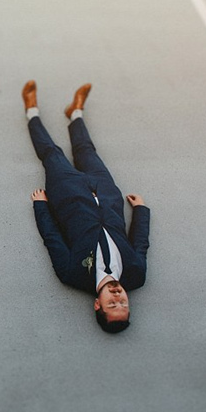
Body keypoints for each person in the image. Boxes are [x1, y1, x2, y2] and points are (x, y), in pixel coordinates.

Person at [23, 80, 150, 333]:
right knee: (86, 151)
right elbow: (140, 243)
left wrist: (41, 206)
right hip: (105, 193)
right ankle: (75, 113)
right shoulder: (136, 274)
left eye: (112, 304)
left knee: (52, 153)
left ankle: (31, 111)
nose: (118, 296)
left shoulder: (73, 274)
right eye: (123, 303)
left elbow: (52, 238)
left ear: (97, 304)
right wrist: (140, 211)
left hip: (67, 195)